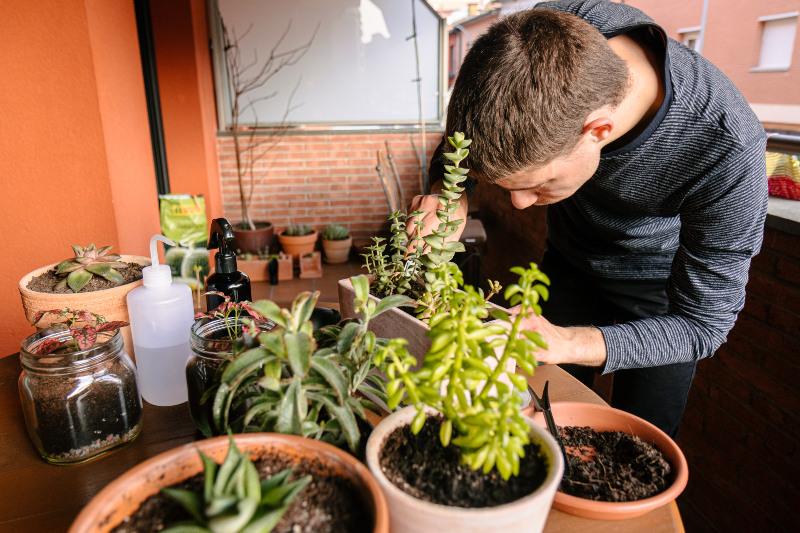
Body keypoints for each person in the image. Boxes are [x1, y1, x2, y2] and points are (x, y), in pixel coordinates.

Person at [411, 0, 767, 437]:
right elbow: (465, 135)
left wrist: (569, 342)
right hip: (569, 262)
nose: (521, 205)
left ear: (598, 129)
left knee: (640, 441)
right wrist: (447, 197)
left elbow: (703, 325)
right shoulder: (538, 42)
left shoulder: (727, 145)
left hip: (664, 295)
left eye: (538, 184)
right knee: (542, 416)